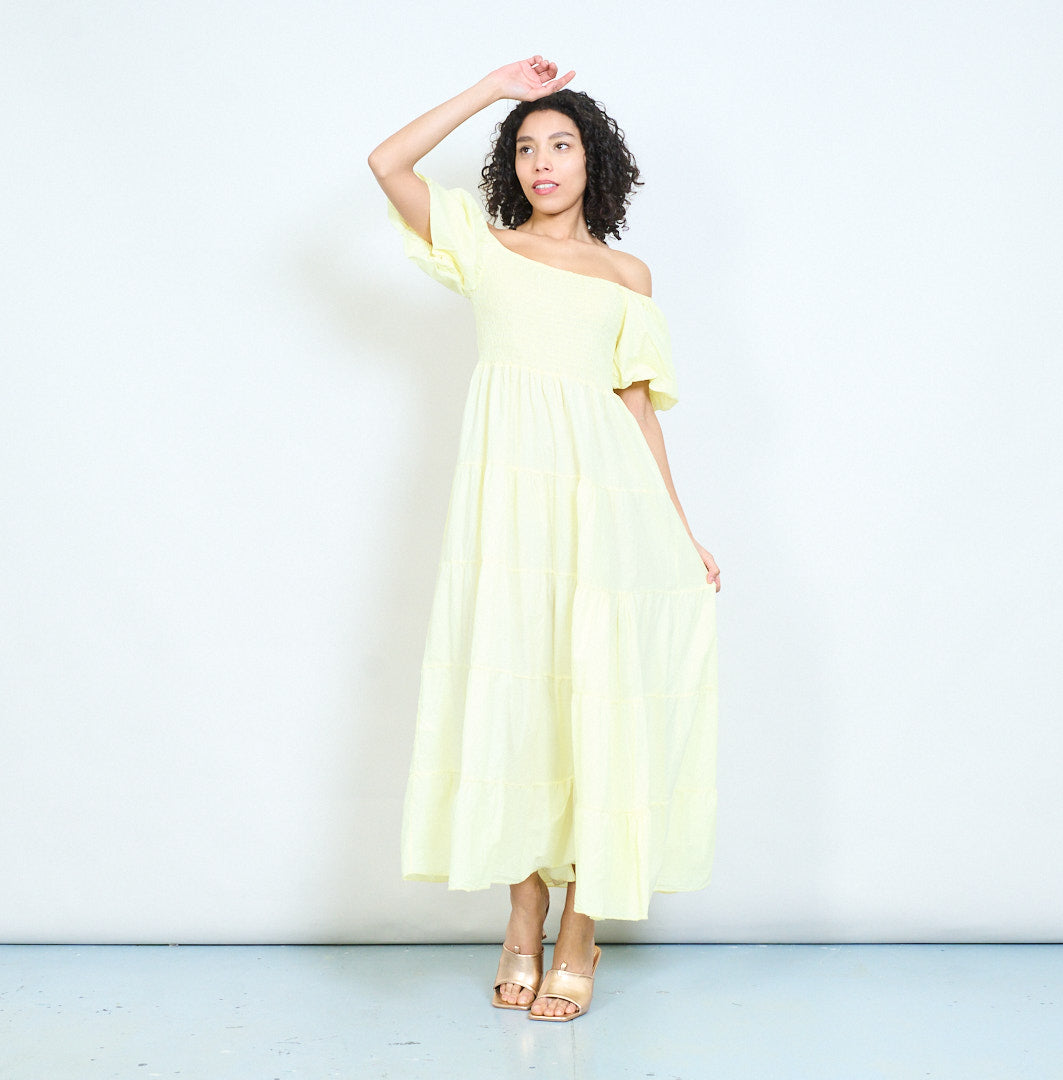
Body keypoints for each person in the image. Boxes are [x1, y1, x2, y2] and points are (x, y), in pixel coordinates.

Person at [369, 56, 721, 1022]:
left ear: (591, 159)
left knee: (599, 702)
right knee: (520, 698)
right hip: (508, 517)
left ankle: (579, 932)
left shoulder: (625, 276)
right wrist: (491, 88)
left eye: (560, 144)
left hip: (607, 511)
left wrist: (681, 533)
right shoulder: (485, 248)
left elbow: (637, 414)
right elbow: (388, 163)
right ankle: (523, 915)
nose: (542, 162)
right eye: (525, 147)